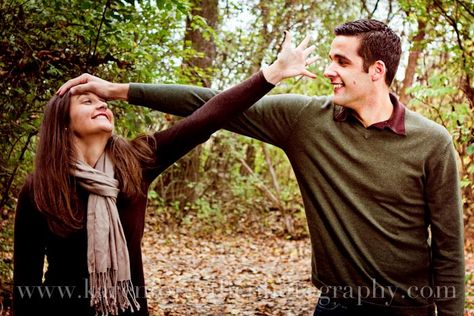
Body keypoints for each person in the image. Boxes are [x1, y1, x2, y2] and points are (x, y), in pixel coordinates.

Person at [58, 19, 465, 316]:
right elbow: (211, 104)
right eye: (328, 59)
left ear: (376, 71)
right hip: (336, 305)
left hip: (408, 309)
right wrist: (118, 91)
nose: (327, 71)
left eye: (340, 62)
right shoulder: (305, 120)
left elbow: (448, 249)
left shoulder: (431, 142)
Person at [13, 32, 317, 316]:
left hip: (128, 308)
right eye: (87, 101)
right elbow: (25, 280)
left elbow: (207, 118)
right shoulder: (40, 187)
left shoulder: (136, 161)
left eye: (103, 101)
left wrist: (274, 72)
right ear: (63, 123)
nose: (102, 104)